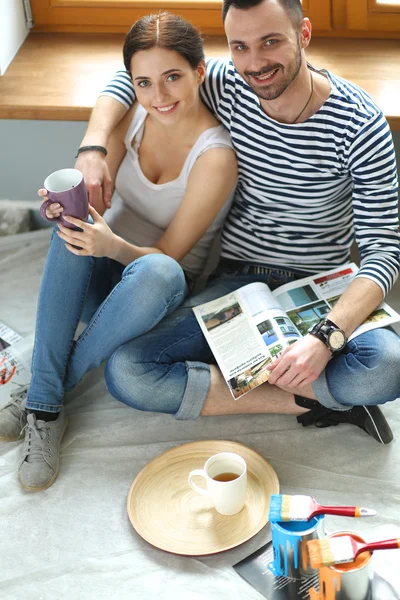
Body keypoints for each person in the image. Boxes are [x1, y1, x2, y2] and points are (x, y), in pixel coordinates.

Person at [67, 0, 400, 446]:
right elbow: (126, 78)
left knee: (387, 367)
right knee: (128, 371)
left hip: (322, 285)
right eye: (239, 46)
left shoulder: (360, 122)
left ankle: (290, 374)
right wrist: (93, 147)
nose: (255, 63)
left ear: (303, 34)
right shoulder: (226, 83)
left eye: (271, 42)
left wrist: (326, 338)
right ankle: (310, 400)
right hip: (237, 282)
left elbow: (384, 252)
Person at [0, 13, 237, 491]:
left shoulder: (215, 155)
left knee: (157, 273)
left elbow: (168, 258)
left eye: (173, 77)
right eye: (144, 83)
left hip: (156, 292)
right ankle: (47, 400)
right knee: (71, 220)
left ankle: (46, 394)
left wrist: (111, 245)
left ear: (199, 71)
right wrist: (79, 192)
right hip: (101, 268)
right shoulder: (132, 119)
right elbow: (94, 193)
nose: (159, 97)